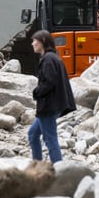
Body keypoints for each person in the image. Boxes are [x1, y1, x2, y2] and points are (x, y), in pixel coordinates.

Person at [28, 30, 76, 163]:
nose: (32, 44)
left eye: (34, 41)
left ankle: (58, 170)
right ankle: (37, 165)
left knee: (50, 139)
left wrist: (36, 92)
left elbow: (49, 82)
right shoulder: (52, 58)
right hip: (50, 106)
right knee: (33, 134)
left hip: (48, 106)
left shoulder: (48, 59)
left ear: (42, 41)